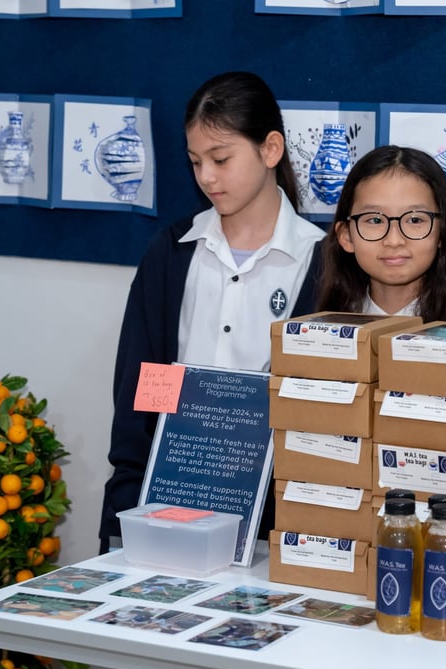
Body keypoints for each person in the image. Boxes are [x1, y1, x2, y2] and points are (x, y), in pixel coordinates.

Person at [98, 72, 325, 554]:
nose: (206, 177)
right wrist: (125, 510)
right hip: (164, 504)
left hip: (276, 520)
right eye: (196, 161)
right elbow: (142, 383)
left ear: (271, 149)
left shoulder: (322, 262)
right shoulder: (173, 253)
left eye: (221, 159)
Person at [314, 145, 446, 323]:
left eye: (415, 220)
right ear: (346, 236)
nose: (393, 240)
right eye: (375, 220)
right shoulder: (315, 336)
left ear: (442, 232)